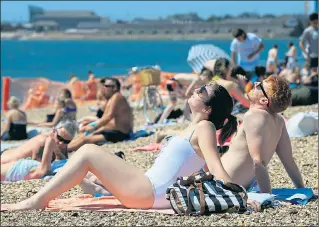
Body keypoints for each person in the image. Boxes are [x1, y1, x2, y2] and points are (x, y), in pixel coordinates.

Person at [1, 82, 244, 211]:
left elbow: (215, 167)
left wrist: (238, 193)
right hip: (151, 188)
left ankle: (36, 201)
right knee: (91, 166)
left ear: (208, 108)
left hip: (150, 192)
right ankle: (99, 189)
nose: (197, 89)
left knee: (87, 152)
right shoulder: (192, 127)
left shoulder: (205, 128)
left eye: (202, 91)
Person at [219, 75, 305, 193]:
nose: (254, 84)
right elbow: (289, 161)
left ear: (264, 100)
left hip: (224, 185)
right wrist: (302, 190)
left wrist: (266, 196)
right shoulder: (279, 121)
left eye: (259, 86)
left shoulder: (254, 115)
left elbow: (258, 162)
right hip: (243, 186)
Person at [68, 78, 133, 152]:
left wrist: (93, 128)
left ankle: (66, 150)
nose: (104, 88)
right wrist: (94, 127)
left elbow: (108, 117)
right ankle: (64, 147)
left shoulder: (117, 97)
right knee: (84, 136)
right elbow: (104, 118)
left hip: (121, 134)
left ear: (114, 88)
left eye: (106, 86)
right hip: (114, 130)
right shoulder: (112, 99)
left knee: (87, 139)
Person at [1, 120, 77, 165]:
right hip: (4, 161)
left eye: (66, 141)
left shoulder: (62, 140)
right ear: (54, 131)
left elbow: (62, 160)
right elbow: (40, 169)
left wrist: (59, 153)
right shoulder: (43, 142)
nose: (61, 143)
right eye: (60, 138)